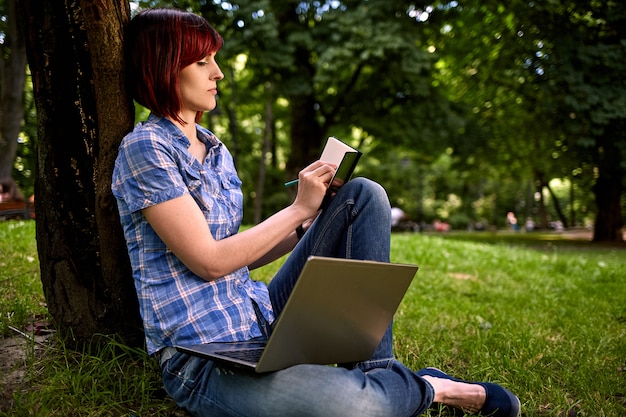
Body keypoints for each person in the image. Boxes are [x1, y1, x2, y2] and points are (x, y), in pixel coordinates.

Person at [112, 8, 520, 417]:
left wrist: (310, 218)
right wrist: (296, 210)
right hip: (202, 358)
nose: (218, 73)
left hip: (258, 321)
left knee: (363, 195)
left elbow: (238, 255)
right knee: (353, 405)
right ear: (164, 67)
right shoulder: (146, 148)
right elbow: (208, 262)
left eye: (215, 60)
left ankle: (377, 370)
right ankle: (432, 389)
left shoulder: (215, 149)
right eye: (203, 62)